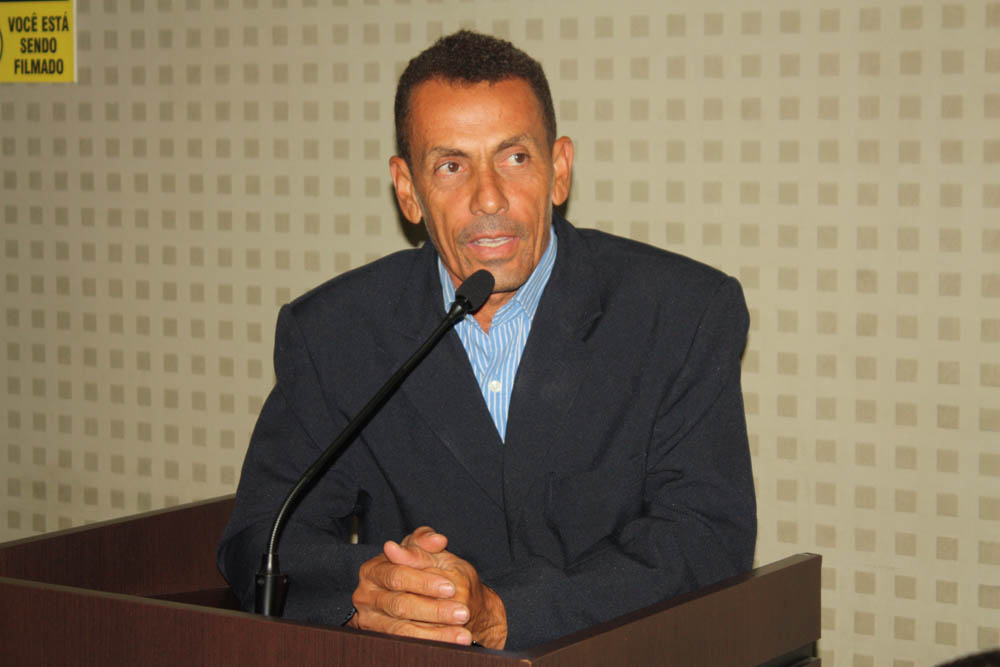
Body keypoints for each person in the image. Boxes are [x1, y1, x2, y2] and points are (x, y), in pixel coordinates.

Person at [217, 30, 756, 651]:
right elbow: (263, 538)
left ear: (559, 170)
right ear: (407, 189)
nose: (488, 197)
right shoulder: (335, 332)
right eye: (451, 166)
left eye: (514, 158)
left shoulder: (681, 313)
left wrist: (506, 613)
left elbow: (704, 538)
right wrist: (376, 588)